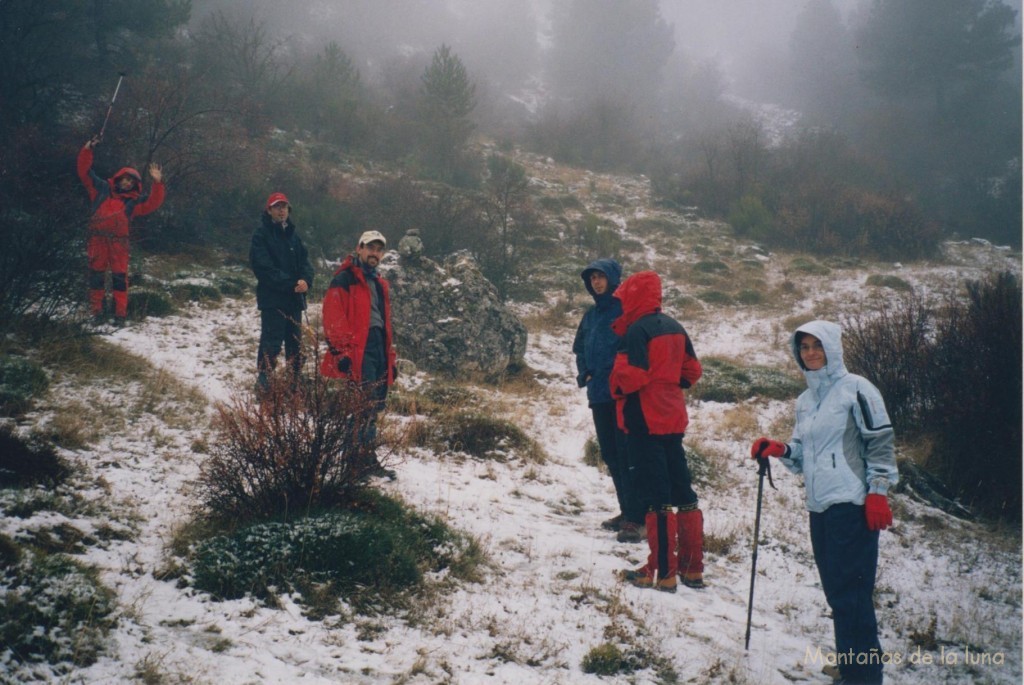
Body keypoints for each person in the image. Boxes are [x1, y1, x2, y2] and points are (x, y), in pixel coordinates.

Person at [750, 320, 897, 685]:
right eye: (804, 347)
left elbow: (880, 443)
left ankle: (864, 676)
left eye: (817, 345)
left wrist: (877, 493)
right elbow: (802, 456)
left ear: (832, 348)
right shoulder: (806, 400)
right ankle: (852, 665)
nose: (811, 352)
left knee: (852, 593)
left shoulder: (857, 390)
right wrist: (780, 449)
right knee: (837, 592)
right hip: (819, 506)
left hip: (852, 502)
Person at [609, 271, 704, 593]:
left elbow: (630, 377)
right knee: (683, 491)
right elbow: (693, 371)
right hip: (673, 418)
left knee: (656, 496)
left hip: (643, 421)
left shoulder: (636, 331)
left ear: (636, 296)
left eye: (625, 297)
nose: (622, 303)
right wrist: (668, 382)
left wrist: (616, 385)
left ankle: (662, 571)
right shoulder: (676, 327)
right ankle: (692, 569)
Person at [572, 259, 643, 542]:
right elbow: (579, 349)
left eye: (601, 277)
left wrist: (626, 381)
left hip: (623, 396)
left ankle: (637, 517)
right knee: (611, 454)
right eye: (592, 278)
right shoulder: (590, 315)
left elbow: (636, 349)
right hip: (598, 395)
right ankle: (626, 511)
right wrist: (585, 374)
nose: (596, 282)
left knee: (628, 454)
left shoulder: (627, 311)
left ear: (613, 279)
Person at [321, 230, 398, 480]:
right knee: (360, 404)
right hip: (358, 349)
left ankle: (366, 460)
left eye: (379, 250)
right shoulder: (344, 279)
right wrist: (342, 352)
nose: (374, 253)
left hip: (378, 348)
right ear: (359, 249)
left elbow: (384, 324)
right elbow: (333, 316)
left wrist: (391, 360)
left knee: (373, 405)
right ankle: (352, 464)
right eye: (370, 248)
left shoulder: (379, 283)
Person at [77, 135, 165, 326]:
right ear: (119, 178)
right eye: (125, 179)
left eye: (131, 182)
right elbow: (84, 172)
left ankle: (120, 315)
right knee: (96, 276)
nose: (126, 183)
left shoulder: (133, 202)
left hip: (119, 243)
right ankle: (97, 312)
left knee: (119, 278)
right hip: (97, 240)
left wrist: (157, 183)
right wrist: (87, 149)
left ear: (135, 185)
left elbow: (153, 203)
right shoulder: (100, 189)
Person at [249, 192, 314, 392]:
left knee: (295, 342)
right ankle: (264, 381)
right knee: (271, 340)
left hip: (294, 301)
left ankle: (294, 380)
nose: (282, 210)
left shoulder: (294, 237)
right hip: (273, 300)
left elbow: (306, 264)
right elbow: (263, 268)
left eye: (284, 206)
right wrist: (292, 284)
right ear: (268, 210)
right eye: (277, 206)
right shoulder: (261, 235)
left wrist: (306, 281)